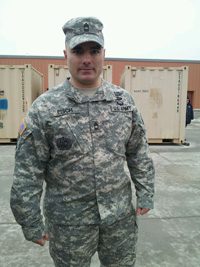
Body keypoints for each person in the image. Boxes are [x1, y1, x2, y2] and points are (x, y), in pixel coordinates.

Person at [10, 17, 155, 267]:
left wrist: (146, 192)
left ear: (104, 54)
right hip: (69, 225)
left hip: (118, 218)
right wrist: (30, 220)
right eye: (78, 51)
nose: (87, 59)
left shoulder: (123, 102)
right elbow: (28, 171)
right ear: (65, 54)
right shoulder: (45, 108)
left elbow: (138, 151)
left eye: (94, 51)